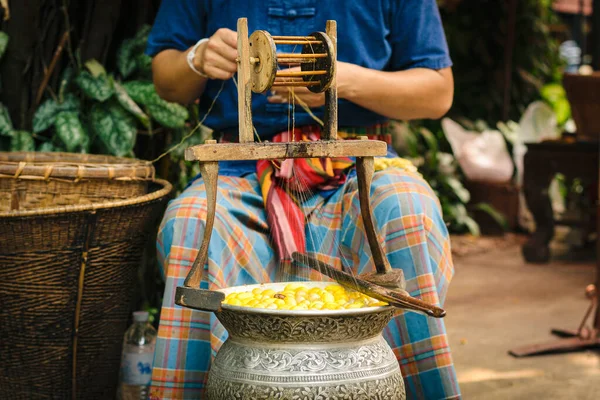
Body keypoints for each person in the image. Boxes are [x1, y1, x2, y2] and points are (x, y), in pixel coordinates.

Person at [146, 1, 459, 399]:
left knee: (407, 211)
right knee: (190, 223)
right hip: (240, 166)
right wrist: (198, 56)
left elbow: (437, 93)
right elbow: (166, 81)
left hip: (354, 162)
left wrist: (342, 80)